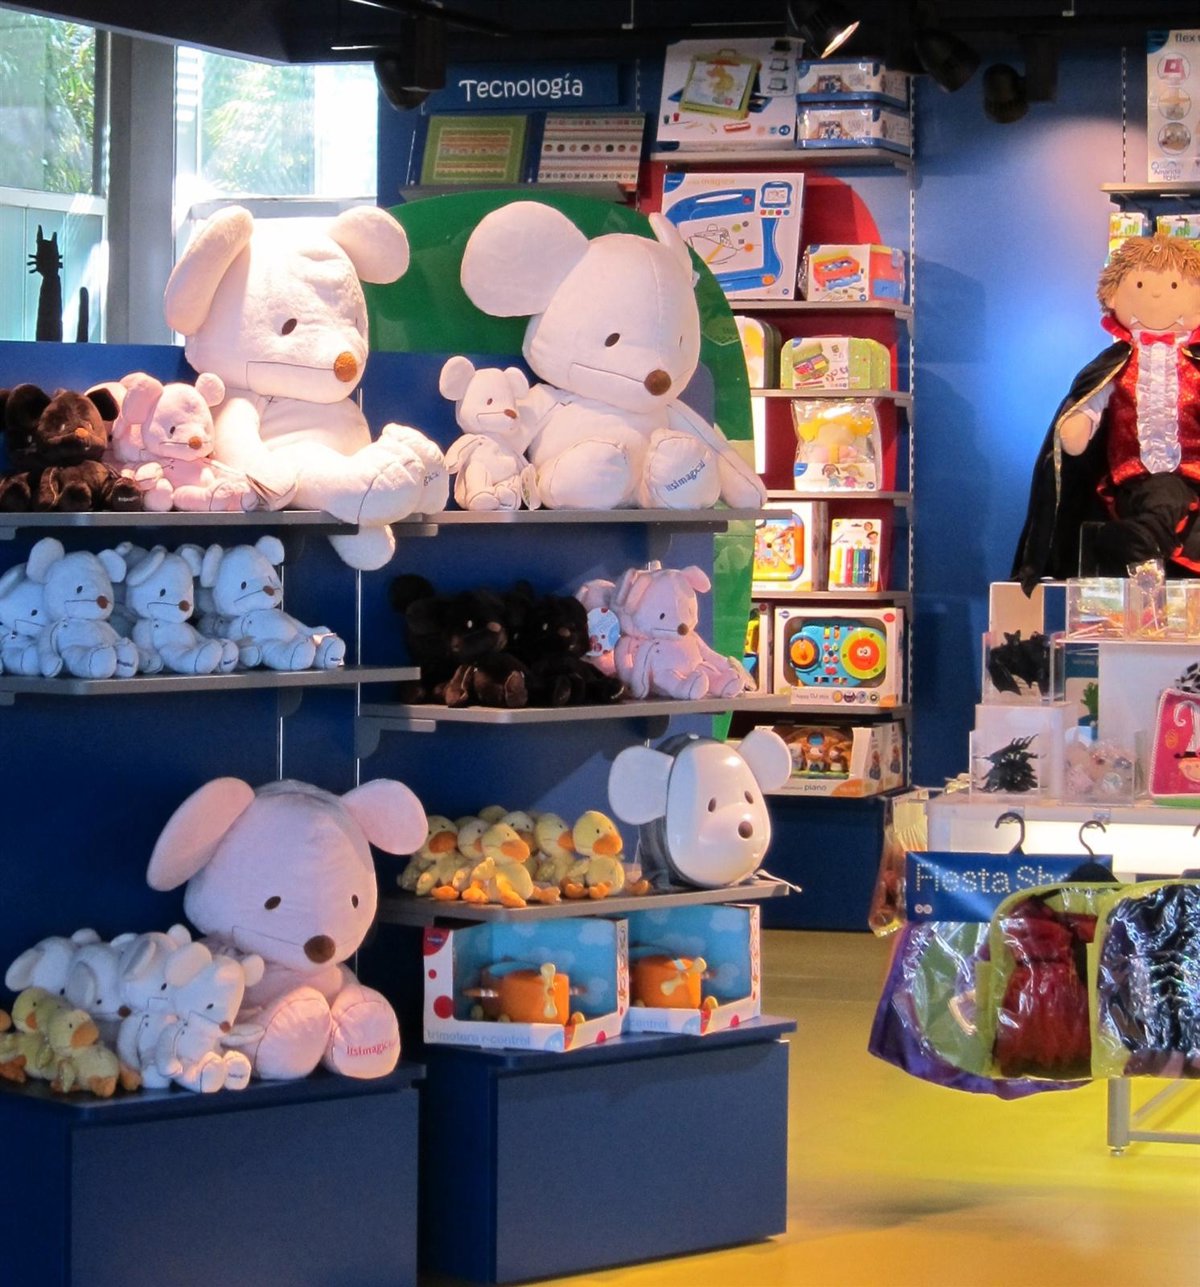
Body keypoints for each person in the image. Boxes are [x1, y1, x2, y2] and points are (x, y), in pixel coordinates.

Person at [1012, 235, 1200, 592]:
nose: (1156, 295)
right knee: (1163, 492)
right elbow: (1090, 404)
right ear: (1113, 297)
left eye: (1174, 286)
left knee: (1171, 496)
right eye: (1141, 286)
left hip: (1194, 483)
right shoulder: (1115, 365)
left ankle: (1130, 543)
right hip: (1130, 483)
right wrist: (1078, 424)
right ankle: (1133, 542)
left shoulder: (1195, 364)